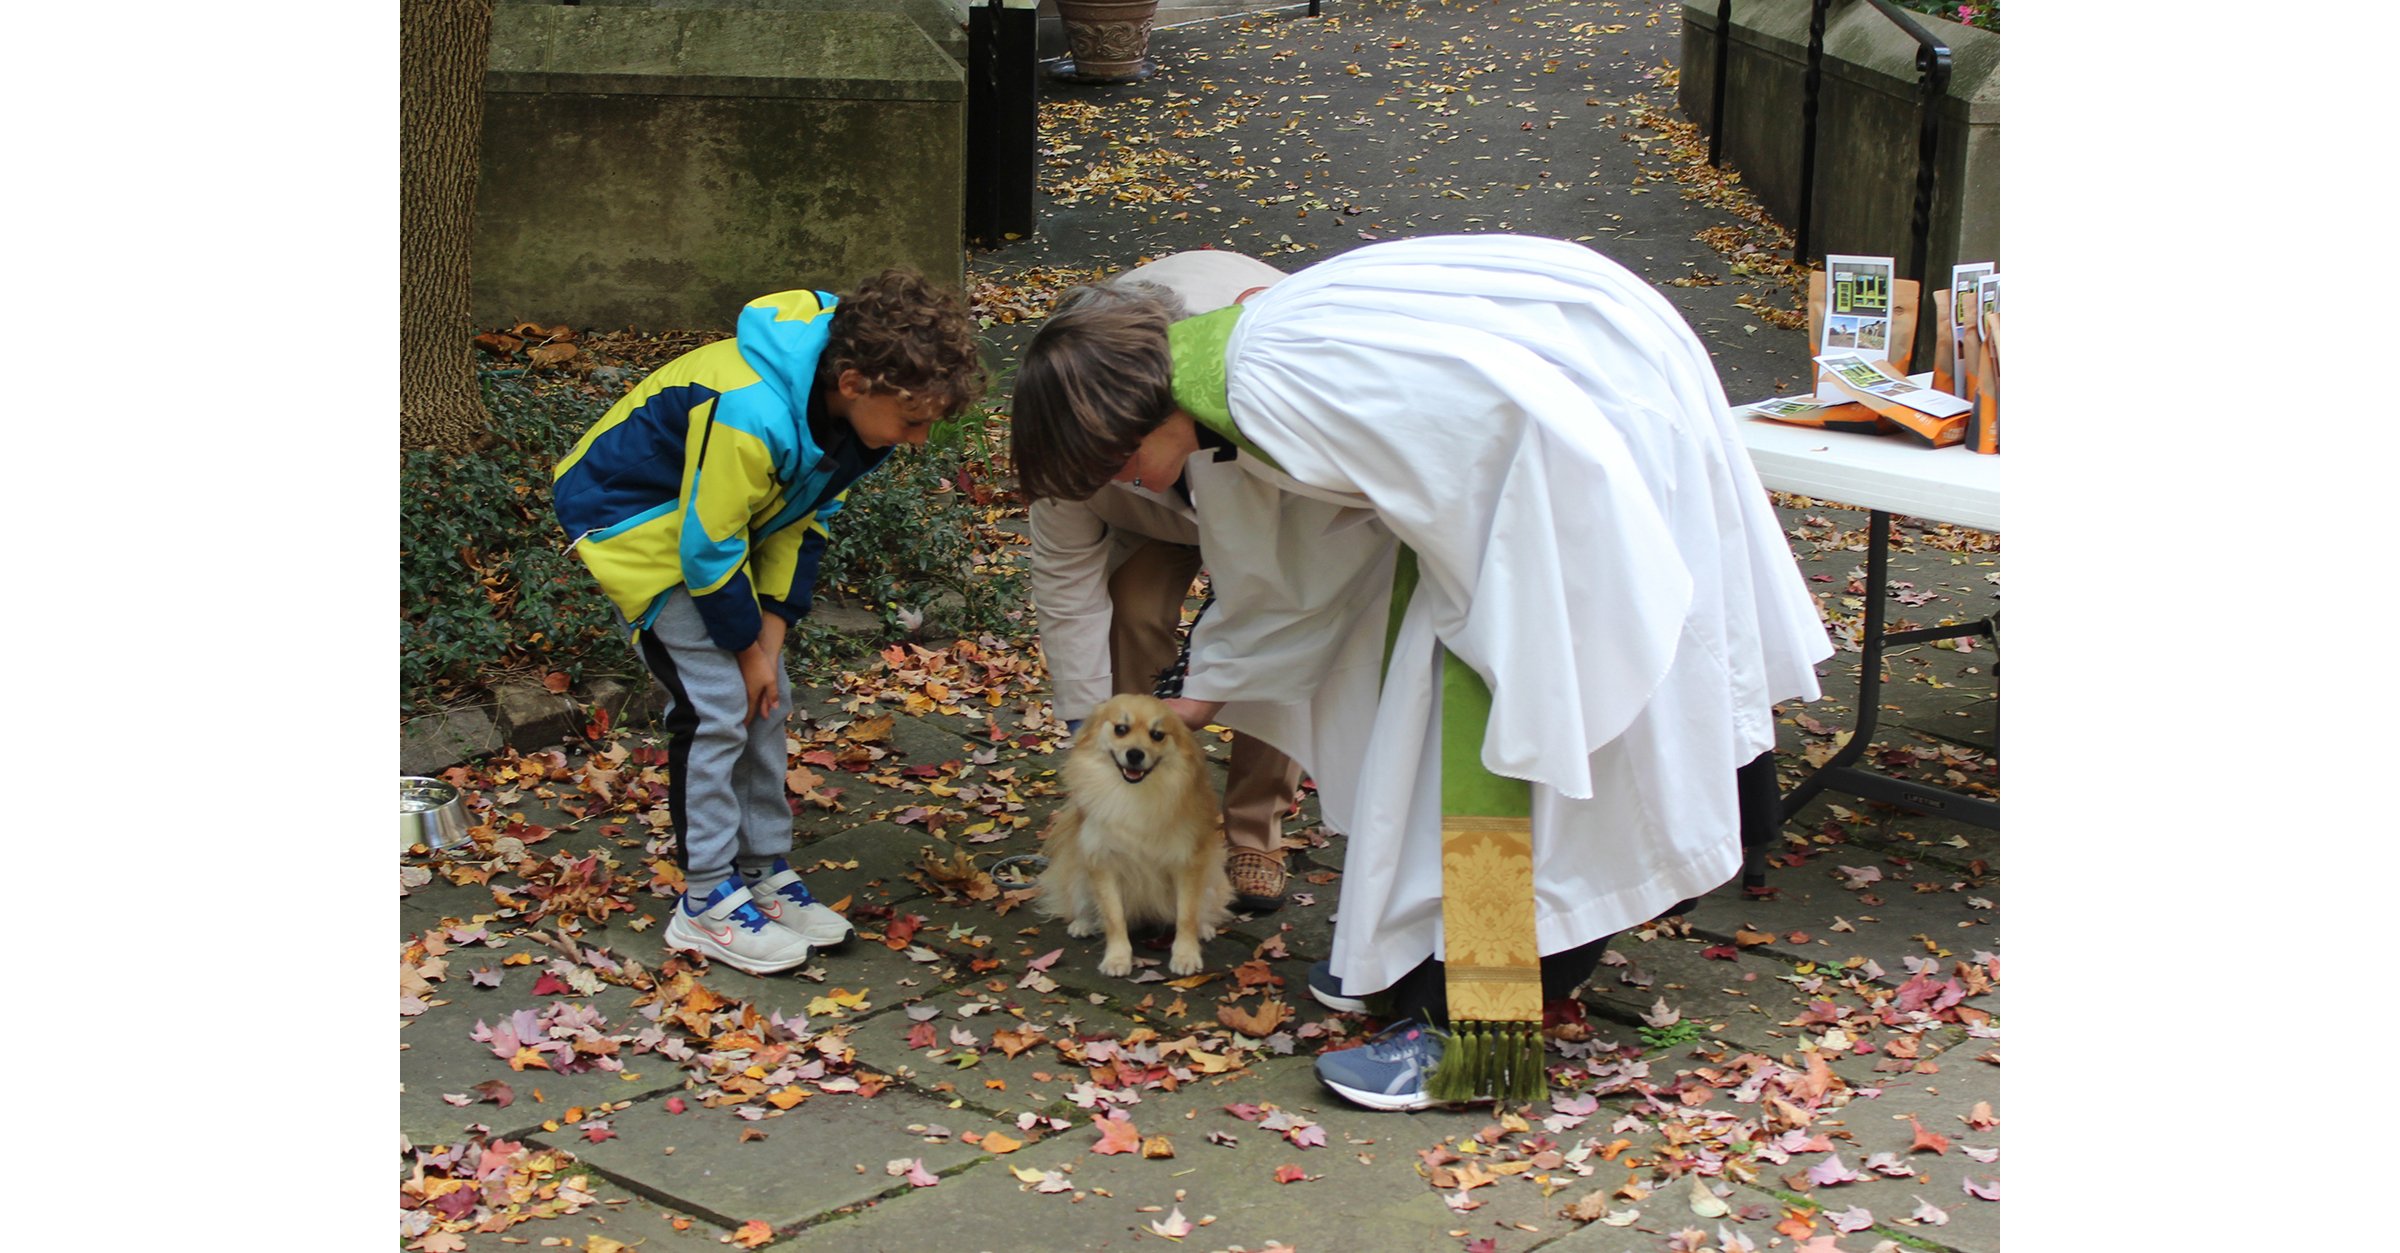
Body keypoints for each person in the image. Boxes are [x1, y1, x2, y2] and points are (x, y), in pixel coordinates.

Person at [1011, 235, 1830, 1108]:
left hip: (1581, 444)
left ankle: (1473, 1029)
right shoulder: (1226, 386)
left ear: (1129, 411)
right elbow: (1293, 564)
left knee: (1523, 753)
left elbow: (1506, 443)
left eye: (1114, 461)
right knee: (1408, 712)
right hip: (1545, 430)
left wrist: (1514, 645)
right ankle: (1414, 957)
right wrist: (1198, 696)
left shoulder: (1274, 384)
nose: (1128, 485)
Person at [554, 270, 987, 976]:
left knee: (766, 695)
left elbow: (800, 520)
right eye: (914, 421)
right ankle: (704, 904)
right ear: (853, 383)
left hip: (718, 533)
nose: (919, 437)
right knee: (717, 705)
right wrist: (745, 648)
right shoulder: (748, 410)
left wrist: (772, 633)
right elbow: (707, 547)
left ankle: (759, 869)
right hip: (638, 525)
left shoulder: (850, 420)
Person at [1028, 251, 1307, 912]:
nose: (1109, 467)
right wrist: (1086, 730)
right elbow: (1068, 589)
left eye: (1117, 453)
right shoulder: (1060, 427)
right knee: (1134, 606)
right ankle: (1141, 816)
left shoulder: (1258, 390)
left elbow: (1286, 601)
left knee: (1274, 649)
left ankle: (1254, 831)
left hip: (1272, 501)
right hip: (1156, 515)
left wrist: (1216, 682)